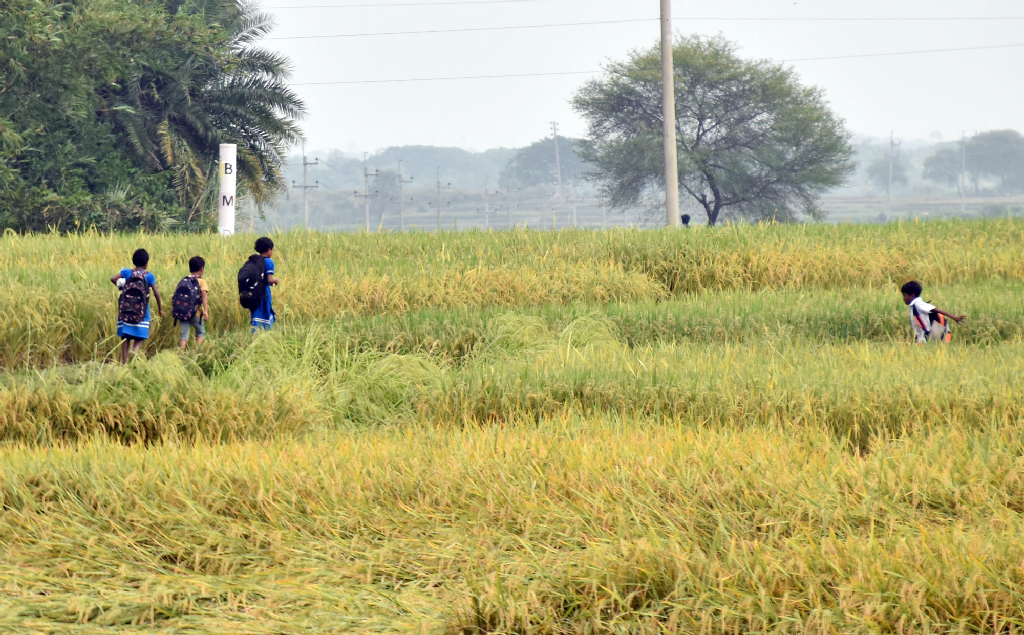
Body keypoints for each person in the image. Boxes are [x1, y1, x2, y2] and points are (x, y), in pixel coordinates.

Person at [111, 248, 163, 363]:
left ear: (133, 261)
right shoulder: (149, 276)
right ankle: (133, 355)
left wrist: (122, 285)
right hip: (142, 312)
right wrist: (160, 309)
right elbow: (156, 293)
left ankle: (124, 362)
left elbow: (113, 278)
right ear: (146, 263)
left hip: (125, 310)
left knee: (125, 338)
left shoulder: (126, 272)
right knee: (139, 337)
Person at [900, 280, 965, 344]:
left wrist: (954, 318)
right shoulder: (913, 305)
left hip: (925, 339)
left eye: (904, 295)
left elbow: (936, 310)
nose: (903, 298)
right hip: (920, 339)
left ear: (912, 295)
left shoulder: (918, 304)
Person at [176, 256, 210, 350]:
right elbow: (204, 297)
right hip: (196, 313)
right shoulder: (201, 281)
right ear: (202, 269)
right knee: (200, 332)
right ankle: (194, 353)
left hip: (182, 312)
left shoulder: (184, 280)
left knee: (183, 336)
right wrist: (206, 311)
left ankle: (181, 355)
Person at [249, 236, 279, 332]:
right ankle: (266, 334)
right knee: (265, 312)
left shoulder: (254, 260)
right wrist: (275, 280)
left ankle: (255, 333)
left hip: (254, 293)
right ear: (269, 250)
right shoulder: (269, 262)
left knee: (256, 314)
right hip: (263, 293)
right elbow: (269, 279)